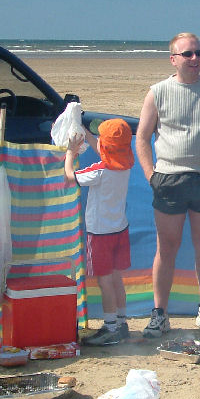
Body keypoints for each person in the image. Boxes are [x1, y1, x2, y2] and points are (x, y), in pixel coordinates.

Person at [135, 32, 200, 338]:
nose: (195, 59)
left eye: (199, 53)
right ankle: (159, 314)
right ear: (173, 59)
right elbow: (142, 137)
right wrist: (151, 174)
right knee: (166, 249)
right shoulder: (158, 92)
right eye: (188, 54)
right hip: (168, 180)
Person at [64, 119, 135, 345]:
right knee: (116, 278)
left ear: (105, 147)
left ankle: (110, 327)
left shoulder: (99, 171)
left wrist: (70, 152)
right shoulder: (126, 165)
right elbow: (106, 151)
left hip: (100, 234)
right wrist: (86, 132)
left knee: (105, 282)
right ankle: (121, 323)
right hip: (119, 229)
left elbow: (70, 176)